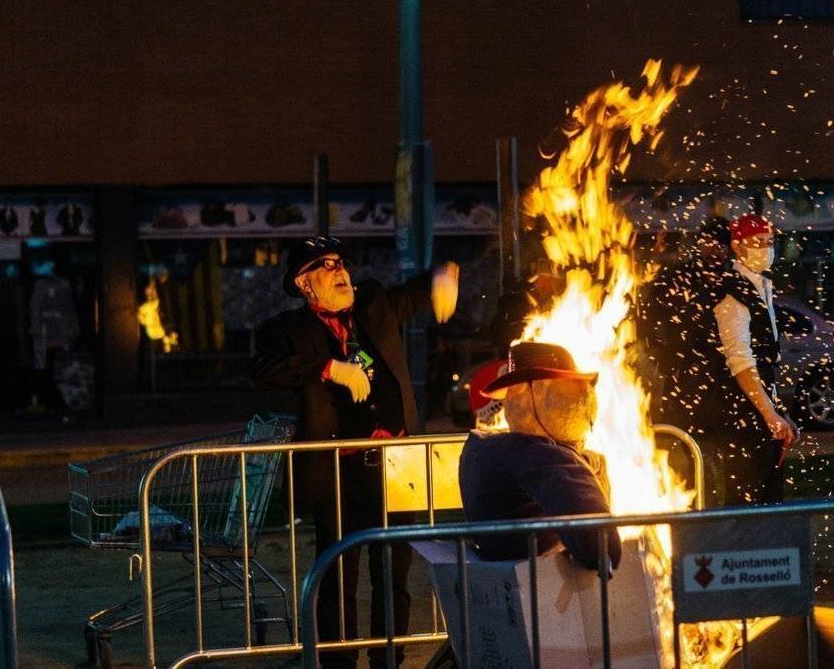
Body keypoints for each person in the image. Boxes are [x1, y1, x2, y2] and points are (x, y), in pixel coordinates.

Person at [251, 236, 459, 668]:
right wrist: (331, 368)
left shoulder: (373, 304)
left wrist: (443, 278)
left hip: (396, 467)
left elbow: (416, 293)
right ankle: (339, 663)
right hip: (337, 472)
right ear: (304, 283)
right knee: (338, 575)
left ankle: (389, 660)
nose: (340, 270)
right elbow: (264, 369)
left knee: (393, 575)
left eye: (341, 261)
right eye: (326, 266)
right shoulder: (287, 329)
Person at [458, 341, 622, 571]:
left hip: (511, 573)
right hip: (540, 584)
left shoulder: (487, 449)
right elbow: (599, 545)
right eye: (572, 389)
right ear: (538, 393)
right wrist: (604, 555)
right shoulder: (539, 456)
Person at [705, 213, 797, 505]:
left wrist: (778, 411)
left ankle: (770, 547)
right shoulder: (732, 291)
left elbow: (765, 361)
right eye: (757, 242)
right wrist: (769, 414)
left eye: (769, 242)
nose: (765, 249)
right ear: (737, 246)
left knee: (770, 493)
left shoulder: (760, 286)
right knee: (747, 494)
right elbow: (740, 360)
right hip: (741, 412)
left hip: (758, 406)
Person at [642, 217, 732, 503]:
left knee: (724, 451)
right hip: (687, 380)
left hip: (725, 381)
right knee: (692, 448)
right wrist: (664, 357)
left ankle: (722, 507)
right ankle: (697, 501)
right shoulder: (678, 277)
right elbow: (650, 318)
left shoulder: (733, 280)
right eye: (708, 243)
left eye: (719, 245)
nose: (713, 250)